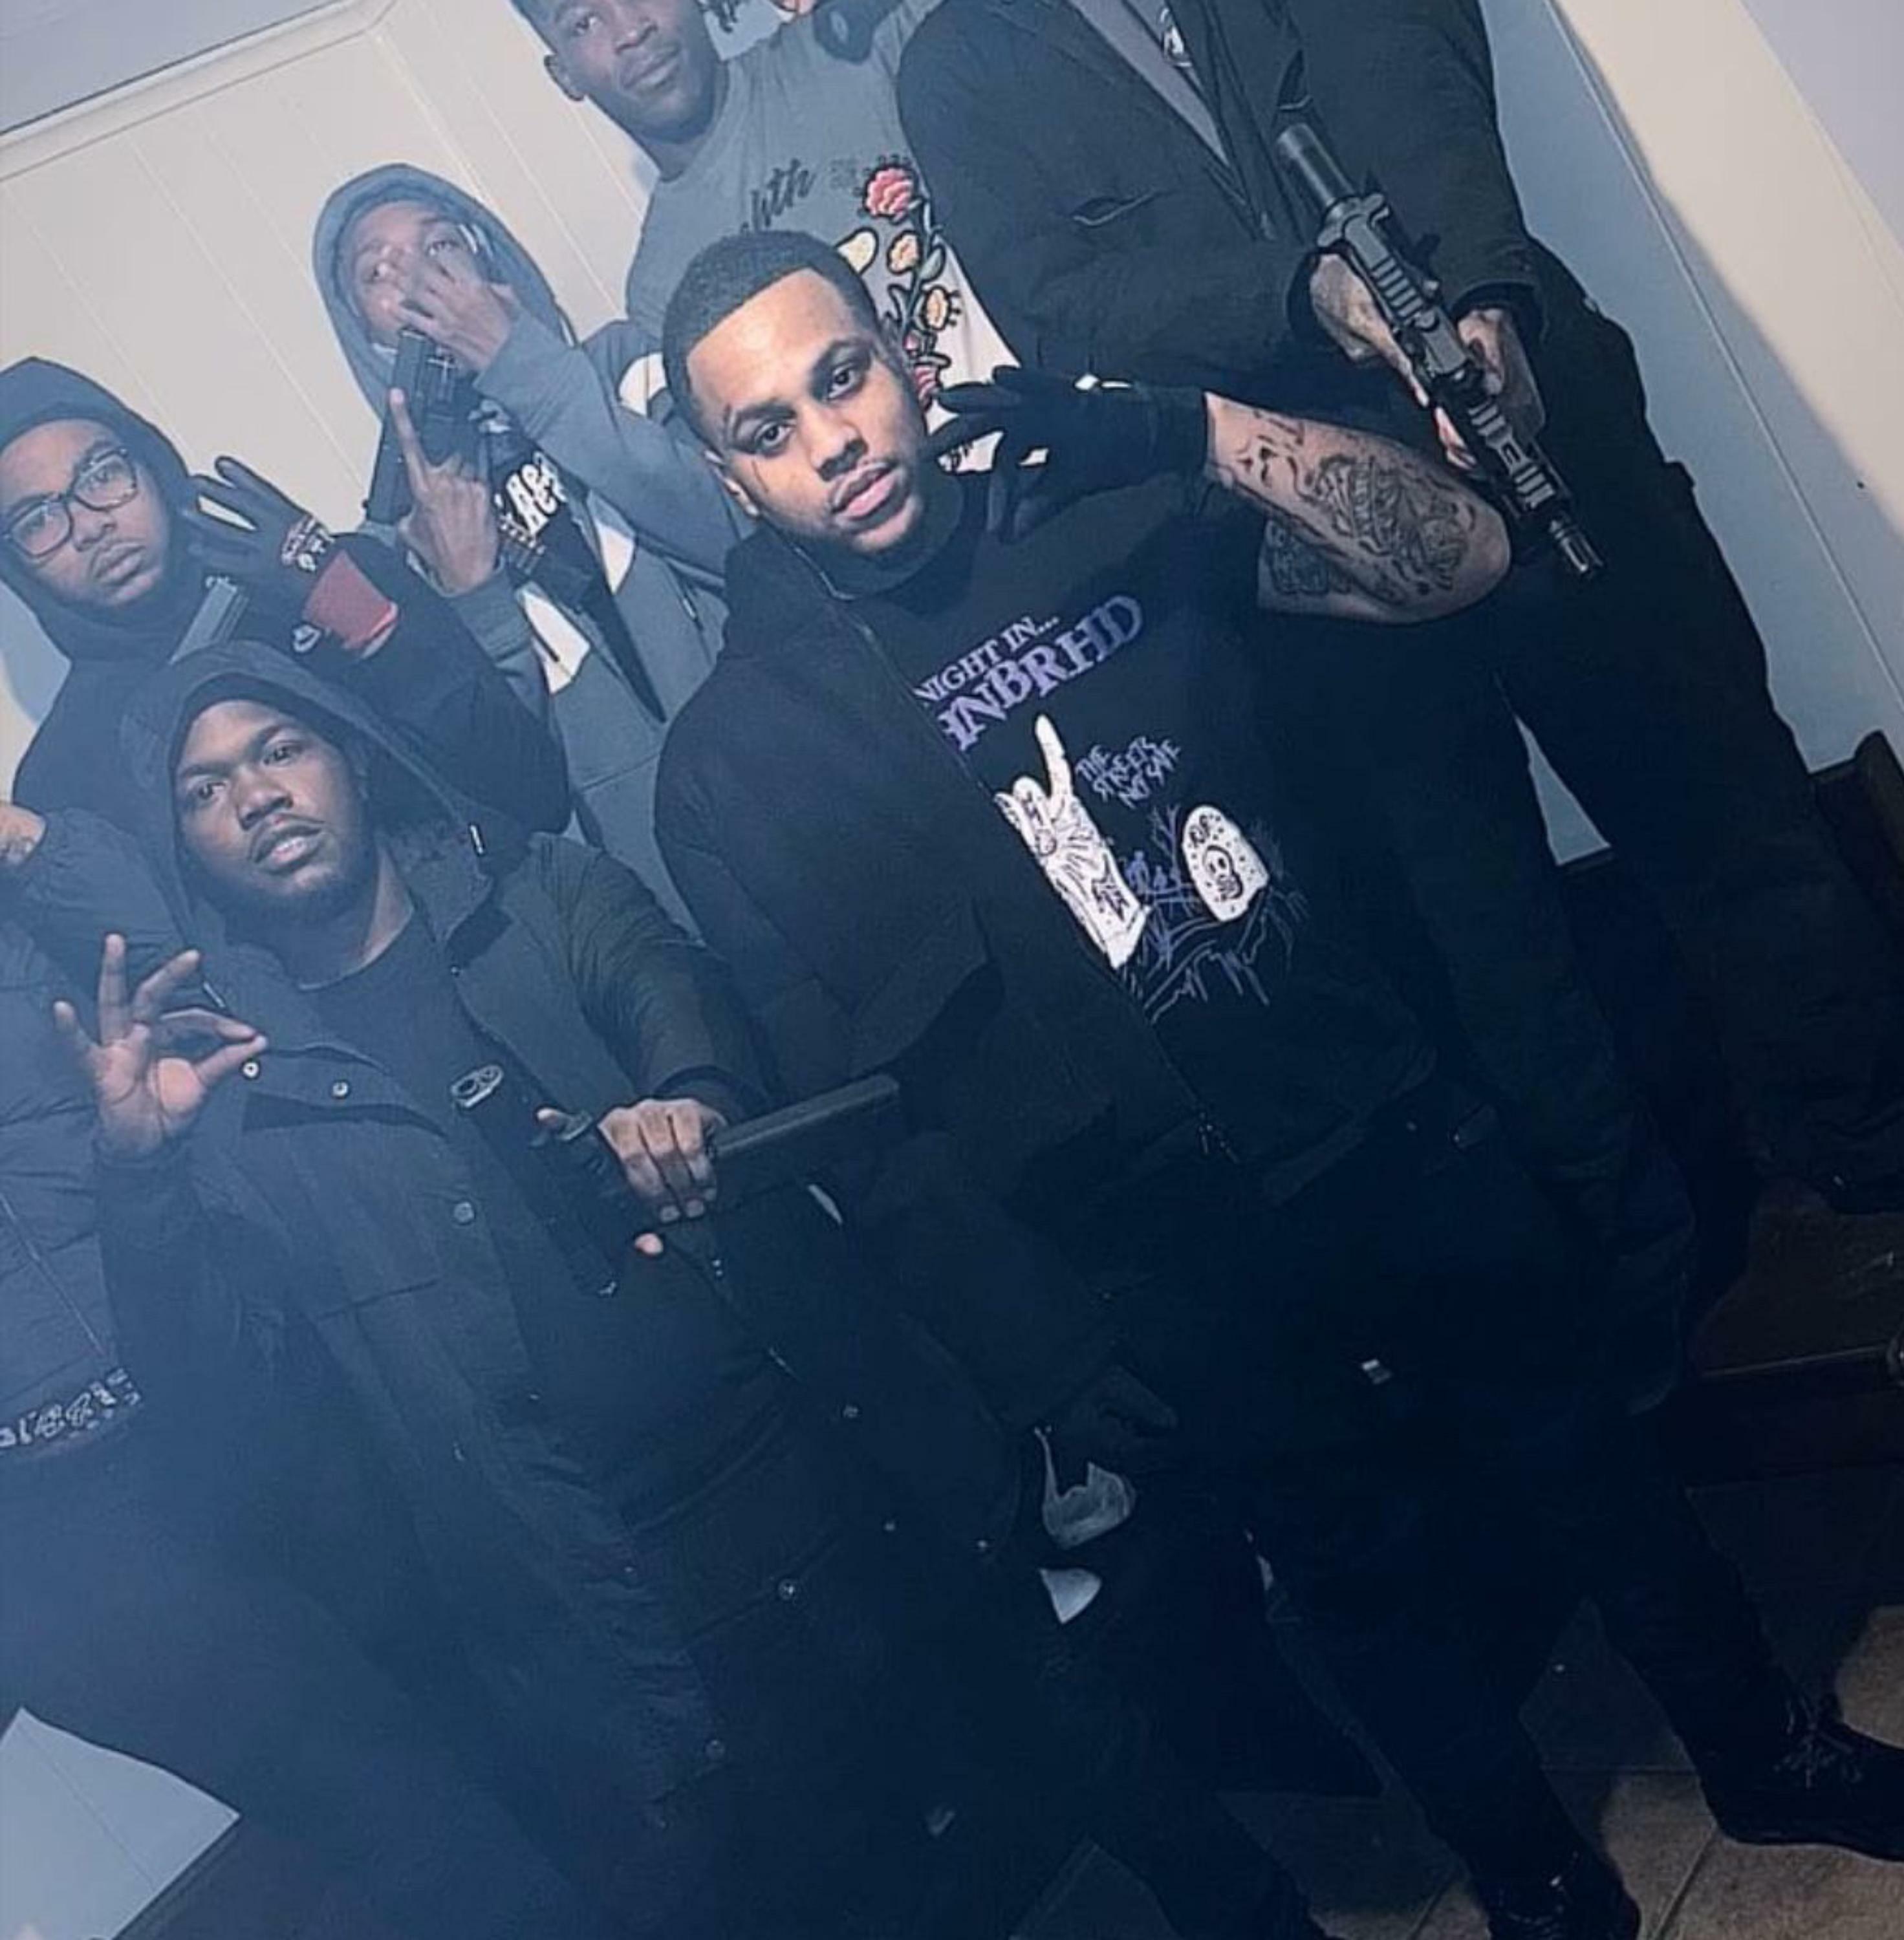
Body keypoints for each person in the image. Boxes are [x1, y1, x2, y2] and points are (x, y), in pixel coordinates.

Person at [649, 228, 1904, 1940]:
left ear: (902, 351)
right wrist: (1052, 1360)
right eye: (769, 430)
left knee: (1588, 1446)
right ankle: (1540, 1886)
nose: (834, 443)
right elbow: (877, 1139)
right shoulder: (729, 771)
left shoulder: (1096, 508)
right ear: (725, 477)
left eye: (843, 378)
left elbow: (1460, 556)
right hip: (1161, 1254)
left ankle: (1768, 1751)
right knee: (1355, 1579)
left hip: (1377, 1100)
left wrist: (1191, 431)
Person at [73, 636, 1328, 1939]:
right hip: (653, 1597)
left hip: (838, 1454)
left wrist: (686, 1098)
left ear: (351, 754)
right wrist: (139, 1177)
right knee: (865, 1901)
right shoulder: (237, 1100)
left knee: (1104, 1764)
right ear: (183, 851)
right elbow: (225, 1404)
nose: (257, 796)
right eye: (205, 790)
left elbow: (667, 985)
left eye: (279, 748)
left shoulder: (534, 892)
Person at [896, 0, 1904, 1242]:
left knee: (1723, 805)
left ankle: (1893, 1165)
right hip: (1290, 496)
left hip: (1512, 390)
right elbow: (1061, 304)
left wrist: (1485, 303)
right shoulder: (959, 63)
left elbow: (1421, 86)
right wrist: (1301, 296)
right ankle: (1655, 1282)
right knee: (1477, 930)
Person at [0, 799, 618, 1940]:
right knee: (400, 1820)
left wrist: (18, 838)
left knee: (515, 1710)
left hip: (241, 1374)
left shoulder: (32, 889)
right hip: (65, 1531)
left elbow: (177, 952)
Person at [314, 165, 746, 920]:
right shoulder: (399, 539)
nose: (419, 283)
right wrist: (473, 595)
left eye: (441, 246)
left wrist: (527, 371)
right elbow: (501, 783)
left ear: (489, 261)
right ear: (359, 328)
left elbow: (734, 537)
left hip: (796, 754)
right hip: (652, 885)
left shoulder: (624, 368)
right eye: (378, 273)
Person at [0, 357, 568, 838]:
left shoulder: (333, 575)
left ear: (153, 467)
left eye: (102, 474)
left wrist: (355, 612)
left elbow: (534, 792)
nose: (90, 525)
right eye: (37, 520)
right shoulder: (64, 776)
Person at [509, 0, 1009, 396]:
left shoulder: (852, 46)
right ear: (565, 76)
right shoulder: (660, 286)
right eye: (584, 24)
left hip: (1038, 410)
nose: (632, 31)